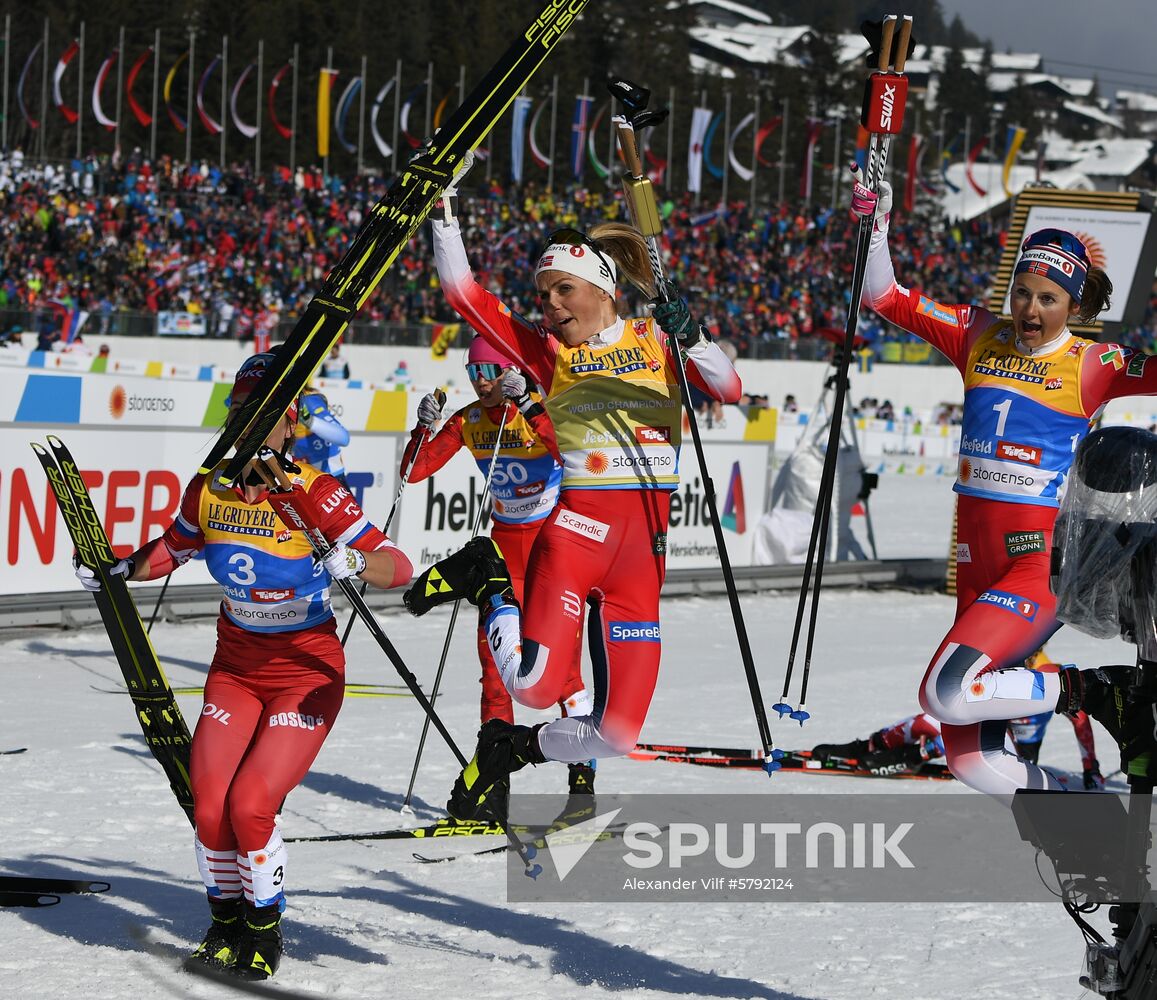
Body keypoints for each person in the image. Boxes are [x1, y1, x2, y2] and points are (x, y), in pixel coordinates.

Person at [404, 186, 742, 819]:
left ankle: (513, 751)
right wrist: (446, 213)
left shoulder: (656, 339)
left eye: (563, 289)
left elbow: (728, 385)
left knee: (615, 734)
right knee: (532, 686)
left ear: (602, 290)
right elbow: (464, 295)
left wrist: (692, 337)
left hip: (643, 557)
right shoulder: (545, 352)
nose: (550, 304)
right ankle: (488, 581)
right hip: (579, 533)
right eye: (542, 294)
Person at [75, 352, 413, 980]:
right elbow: (173, 549)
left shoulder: (315, 491)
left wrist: (356, 563)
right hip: (235, 665)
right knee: (208, 805)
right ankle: (224, 921)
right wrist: (118, 571)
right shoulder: (209, 488)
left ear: (290, 425)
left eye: (263, 418)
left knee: (252, 803)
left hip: (306, 669)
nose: (247, 429)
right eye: (238, 415)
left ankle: (264, 927)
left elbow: (400, 566)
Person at [852, 168, 1157, 796]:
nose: (1030, 310)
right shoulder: (977, 333)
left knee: (947, 691)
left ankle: (1091, 690)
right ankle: (1102, 810)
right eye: (1023, 292)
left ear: (1073, 305)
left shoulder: (1092, 363)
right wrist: (875, 221)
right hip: (975, 568)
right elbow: (881, 296)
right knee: (975, 764)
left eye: (1048, 299)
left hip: (1036, 570)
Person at [402, 335, 595, 797]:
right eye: (473, 372)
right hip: (506, 552)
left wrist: (529, 403)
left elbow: (570, 451)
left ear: (511, 371)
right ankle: (494, 782)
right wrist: (421, 430)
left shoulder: (535, 410)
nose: (480, 382)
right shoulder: (469, 419)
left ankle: (582, 778)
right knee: (493, 665)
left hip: (551, 550)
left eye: (489, 372)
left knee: (564, 670)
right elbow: (415, 470)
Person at [813, 650, 1105, 789]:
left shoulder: (1051, 675)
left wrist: (1090, 768)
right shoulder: (1002, 664)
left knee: (970, 732)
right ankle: (866, 747)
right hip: (992, 732)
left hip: (1015, 754)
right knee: (925, 719)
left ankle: (911, 755)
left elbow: (1080, 722)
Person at [293, 388, 351, 490]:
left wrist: (308, 420)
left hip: (329, 480)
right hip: (300, 482)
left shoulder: (308, 400)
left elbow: (344, 438)